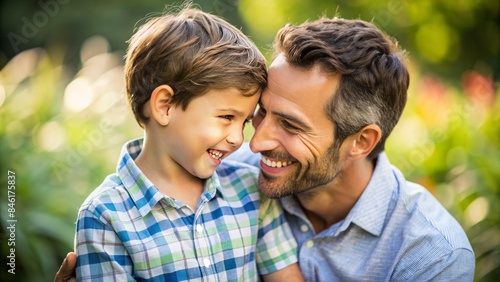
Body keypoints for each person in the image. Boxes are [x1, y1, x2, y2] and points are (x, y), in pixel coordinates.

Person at [56, 14, 475, 282]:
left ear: (361, 142)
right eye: (260, 113)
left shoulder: (431, 257)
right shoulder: (226, 170)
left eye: (290, 125)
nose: (251, 142)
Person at [70, 6, 303, 282]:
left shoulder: (251, 191)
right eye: (226, 117)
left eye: (243, 123)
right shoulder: (106, 215)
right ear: (165, 106)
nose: (238, 138)